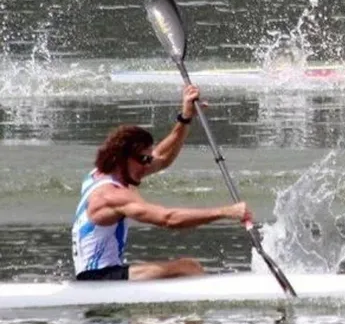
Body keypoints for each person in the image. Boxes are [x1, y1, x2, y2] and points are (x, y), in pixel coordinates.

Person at [71, 85, 253, 281]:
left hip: (102, 274)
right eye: (143, 160)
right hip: (97, 279)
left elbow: (162, 156)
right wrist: (226, 212)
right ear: (121, 158)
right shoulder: (113, 195)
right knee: (188, 268)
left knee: (185, 268)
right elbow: (168, 219)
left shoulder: (97, 175)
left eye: (147, 160)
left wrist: (186, 117)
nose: (147, 166)